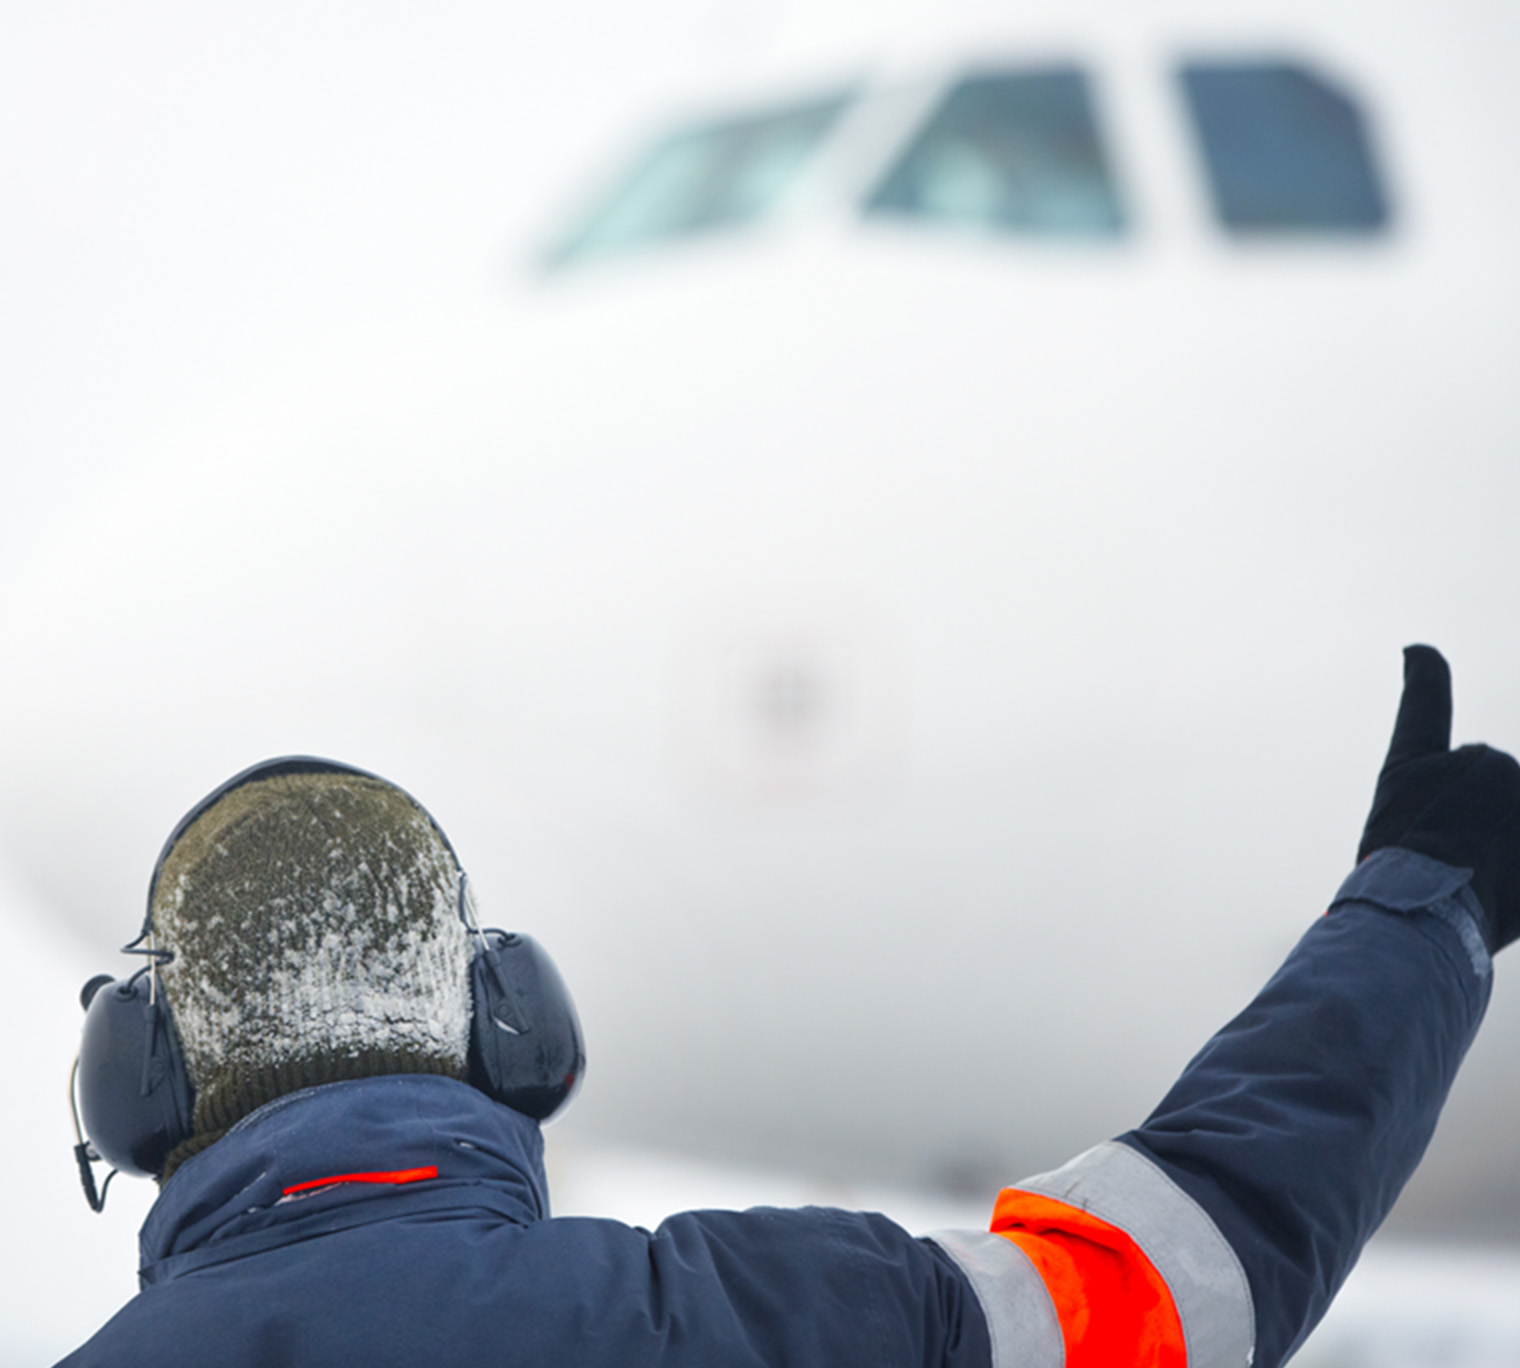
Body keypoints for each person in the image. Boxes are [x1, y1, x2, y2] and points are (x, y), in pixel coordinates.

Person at [58, 644, 1519, 1368]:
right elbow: (1189, 1265)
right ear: (512, 1028)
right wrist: (1418, 911)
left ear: (140, 1087)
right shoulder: (758, 1323)